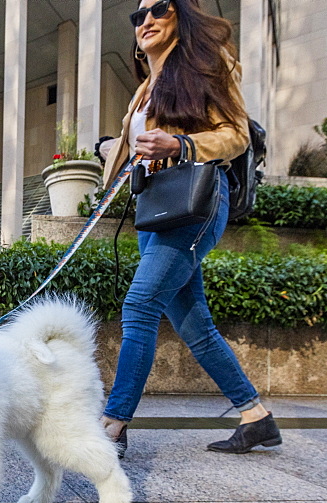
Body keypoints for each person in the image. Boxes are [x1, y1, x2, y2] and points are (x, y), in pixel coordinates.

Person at [96, 0, 281, 457]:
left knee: (139, 305)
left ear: (181, 13)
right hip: (155, 208)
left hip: (196, 202)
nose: (147, 21)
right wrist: (110, 149)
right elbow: (137, 145)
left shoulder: (205, 67)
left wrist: (181, 144)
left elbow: (236, 134)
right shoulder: (143, 90)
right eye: (138, 16)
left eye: (158, 9)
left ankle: (112, 427)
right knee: (194, 324)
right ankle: (256, 417)